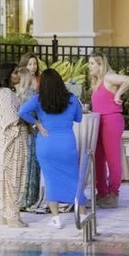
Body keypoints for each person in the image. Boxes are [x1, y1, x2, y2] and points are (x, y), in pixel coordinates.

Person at [20, 68, 84, 218]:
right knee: (74, 179)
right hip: (66, 144)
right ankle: (82, 214)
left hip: (46, 143)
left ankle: (56, 218)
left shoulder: (38, 99)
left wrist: (36, 123)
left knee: (50, 181)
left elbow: (22, 112)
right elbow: (79, 118)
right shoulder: (72, 99)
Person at [0, 59, 37, 224]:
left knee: (6, 177)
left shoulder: (3, 93)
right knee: (13, 177)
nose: (19, 75)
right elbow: (12, 118)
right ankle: (13, 216)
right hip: (12, 140)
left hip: (5, 139)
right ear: (7, 76)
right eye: (15, 72)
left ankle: (6, 214)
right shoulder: (6, 94)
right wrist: (29, 121)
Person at [89, 69, 126, 206]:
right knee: (98, 158)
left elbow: (128, 80)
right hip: (98, 120)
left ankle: (113, 193)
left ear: (99, 65)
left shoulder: (109, 77)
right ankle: (102, 192)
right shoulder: (96, 82)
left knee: (112, 158)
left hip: (111, 120)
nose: (89, 66)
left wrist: (118, 94)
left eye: (92, 63)